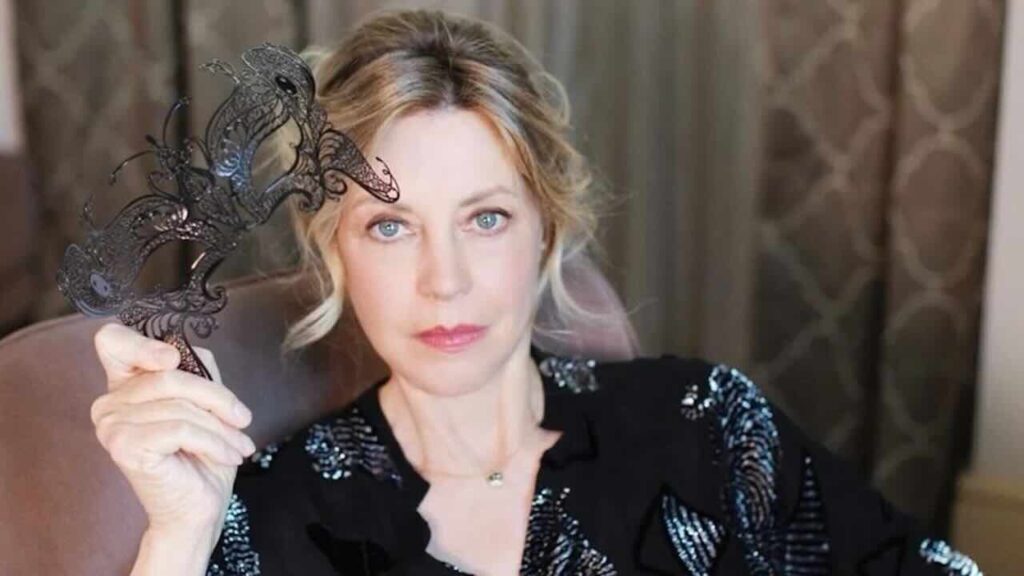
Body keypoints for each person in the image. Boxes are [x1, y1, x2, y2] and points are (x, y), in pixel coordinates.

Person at [88, 8, 981, 576]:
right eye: (391, 227)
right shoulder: (267, 514)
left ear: (546, 230)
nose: (446, 281)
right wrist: (178, 539)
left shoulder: (706, 424)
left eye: (485, 218)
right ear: (334, 251)